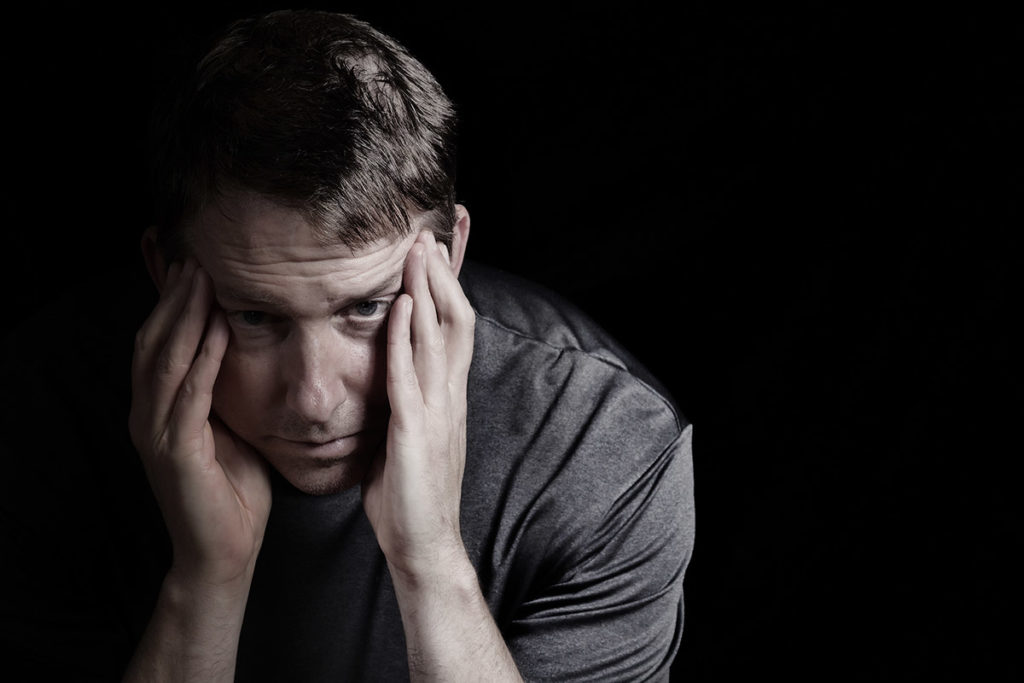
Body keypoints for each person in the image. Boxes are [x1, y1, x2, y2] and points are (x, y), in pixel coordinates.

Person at [1, 9, 694, 681]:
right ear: (164, 271)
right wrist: (205, 584)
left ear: (449, 254)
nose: (312, 398)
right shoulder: (41, 420)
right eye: (254, 316)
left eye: (366, 307)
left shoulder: (600, 441)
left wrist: (429, 563)